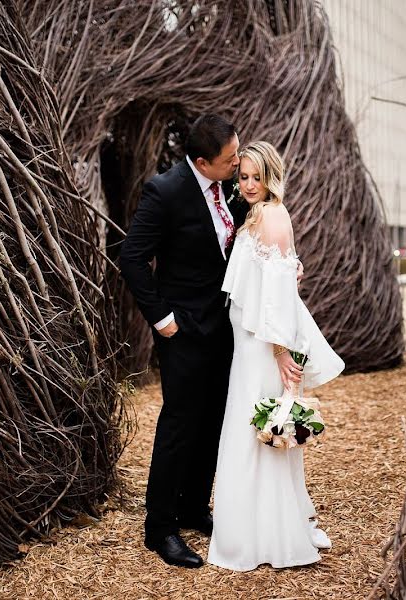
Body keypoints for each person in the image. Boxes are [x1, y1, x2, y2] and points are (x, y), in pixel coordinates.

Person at [119, 114, 249, 568]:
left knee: (213, 421)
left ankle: (195, 507)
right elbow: (132, 257)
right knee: (179, 426)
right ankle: (161, 528)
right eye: (230, 159)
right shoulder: (166, 190)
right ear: (201, 162)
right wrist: (162, 318)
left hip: (223, 327)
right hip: (183, 330)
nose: (238, 163)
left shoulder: (230, 187)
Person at [208, 141, 344, 571]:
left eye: (256, 177)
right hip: (249, 340)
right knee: (252, 430)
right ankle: (258, 525)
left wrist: (281, 352)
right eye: (242, 176)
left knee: (256, 431)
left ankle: (261, 533)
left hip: (262, 344)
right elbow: (280, 269)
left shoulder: (270, 213)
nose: (247, 184)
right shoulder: (261, 213)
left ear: (271, 176)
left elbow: (277, 292)